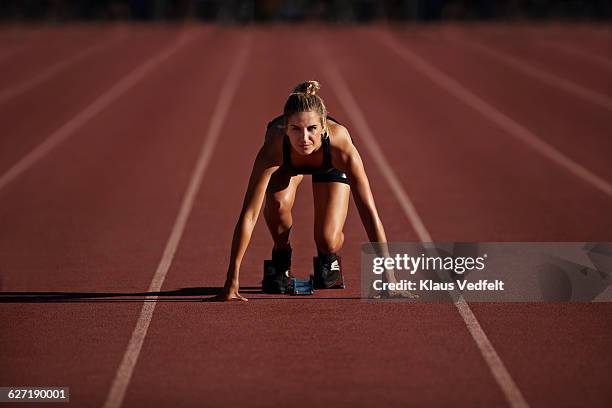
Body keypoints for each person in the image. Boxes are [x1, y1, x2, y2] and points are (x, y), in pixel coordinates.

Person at [215, 80, 394, 301]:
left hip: (329, 165)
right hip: (287, 164)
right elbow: (249, 214)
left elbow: (369, 212)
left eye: (312, 129)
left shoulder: (342, 147)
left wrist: (390, 278)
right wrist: (231, 280)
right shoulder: (274, 146)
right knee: (278, 205)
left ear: (324, 127)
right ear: (284, 128)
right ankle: (281, 257)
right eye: (296, 130)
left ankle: (328, 258)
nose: (304, 139)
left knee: (328, 238)